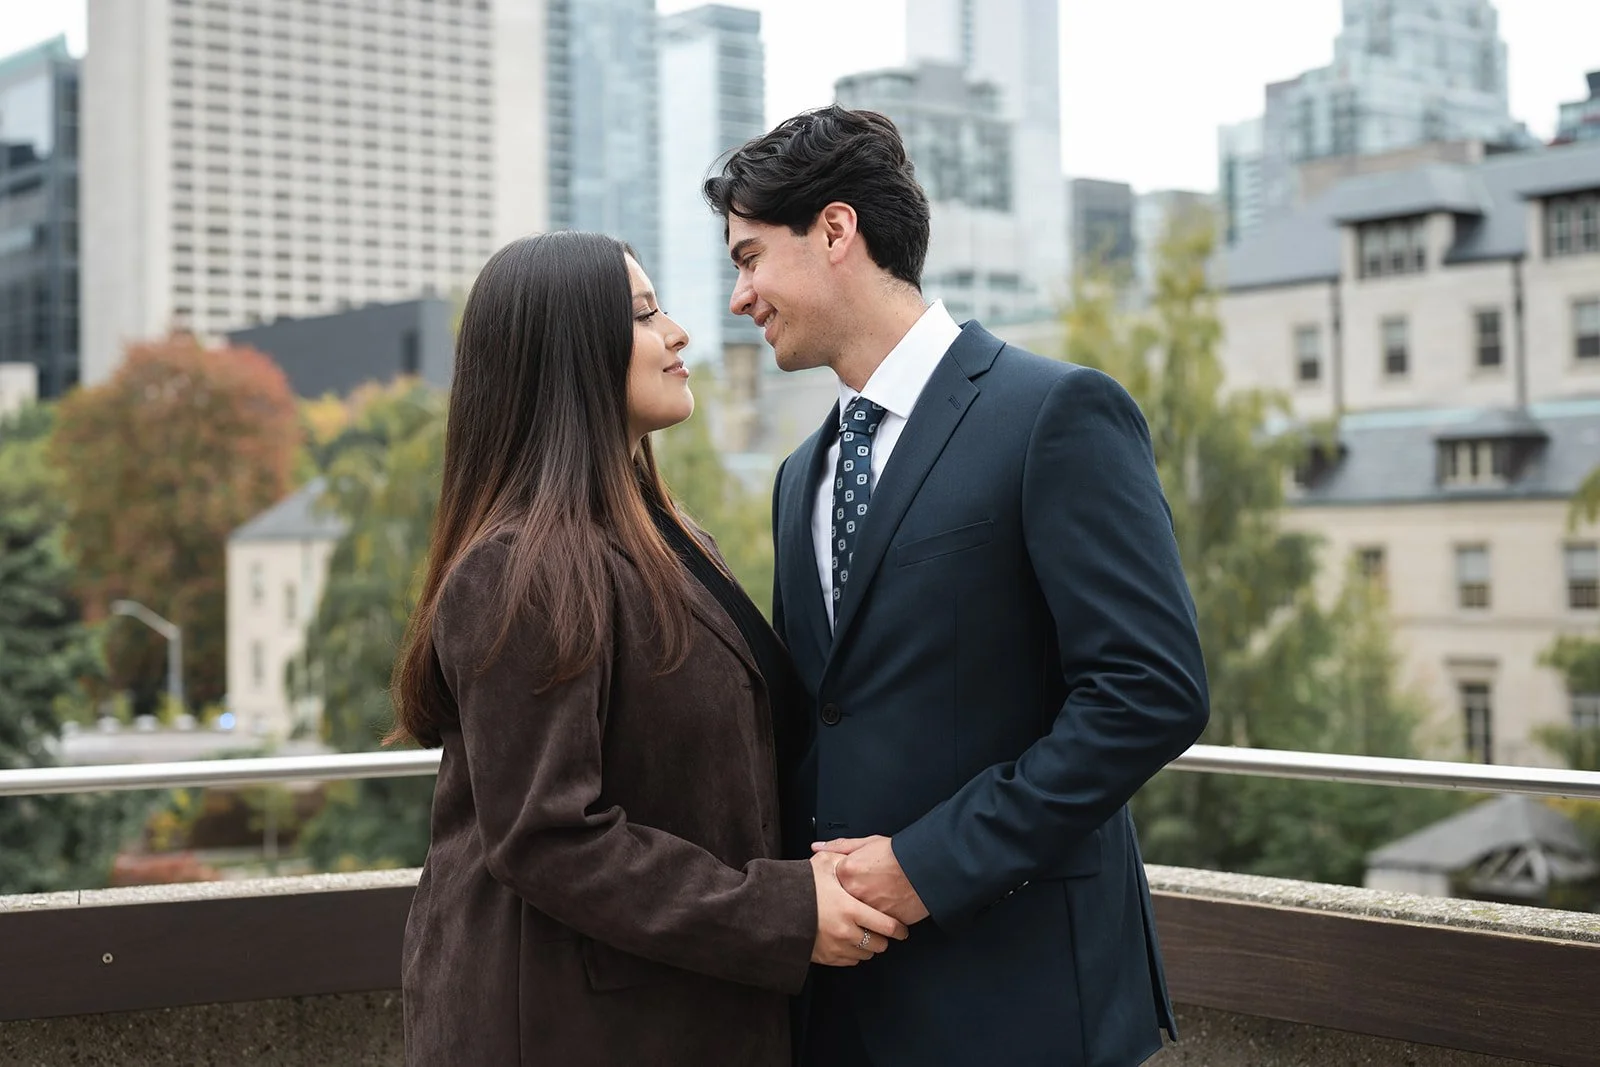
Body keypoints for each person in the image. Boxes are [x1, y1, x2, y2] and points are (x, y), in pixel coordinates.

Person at [704, 107, 1211, 1067]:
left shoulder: (1055, 413)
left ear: (837, 230)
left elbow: (1150, 691)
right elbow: (826, 718)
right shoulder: (798, 475)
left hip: (1020, 1000)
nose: (740, 296)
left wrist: (927, 865)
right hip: (847, 1002)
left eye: (750, 256)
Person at [391, 230, 908, 1066]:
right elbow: (549, 835)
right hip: (567, 1025)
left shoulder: (668, 539)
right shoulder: (517, 569)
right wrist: (782, 911)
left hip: (678, 1006)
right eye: (643, 314)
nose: (679, 332)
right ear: (566, 355)